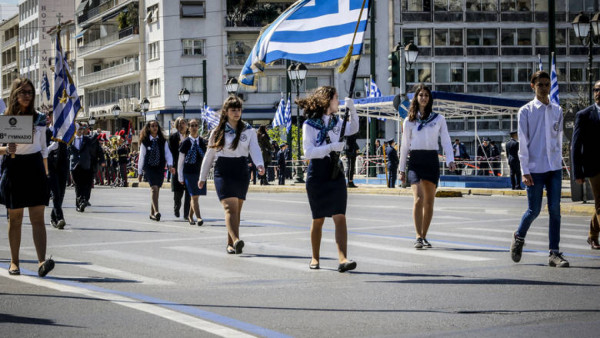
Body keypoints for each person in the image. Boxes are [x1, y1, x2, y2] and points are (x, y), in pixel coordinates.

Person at [510, 70, 568, 267]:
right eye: (540, 84)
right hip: (534, 169)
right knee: (534, 210)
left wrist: (560, 162)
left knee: (555, 210)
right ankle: (519, 236)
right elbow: (523, 142)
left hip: (554, 168)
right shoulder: (526, 111)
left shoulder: (557, 111)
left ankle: (554, 253)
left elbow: (558, 140)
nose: (544, 88)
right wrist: (524, 170)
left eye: (546, 84)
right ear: (532, 86)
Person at [299, 86, 359, 272]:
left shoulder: (337, 122)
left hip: (335, 172)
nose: (338, 102)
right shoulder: (310, 124)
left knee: (340, 215)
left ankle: (343, 259)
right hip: (317, 173)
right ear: (327, 101)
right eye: (336, 98)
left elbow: (354, 128)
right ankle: (315, 258)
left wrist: (353, 109)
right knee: (318, 218)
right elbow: (308, 152)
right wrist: (331, 147)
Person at [0, 78, 54, 277]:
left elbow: (43, 149)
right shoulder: (5, 118)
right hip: (14, 166)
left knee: (38, 218)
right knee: (15, 218)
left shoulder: (39, 118)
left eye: (30, 92)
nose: (27, 95)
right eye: (23, 92)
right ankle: (14, 262)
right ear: (15, 94)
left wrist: (46, 174)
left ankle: (42, 261)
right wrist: (5, 148)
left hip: (35, 166)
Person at [199, 95, 265, 254]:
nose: (236, 113)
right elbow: (209, 155)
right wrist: (202, 177)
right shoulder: (218, 131)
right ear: (226, 112)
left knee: (237, 211)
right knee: (229, 208)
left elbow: (254, 149)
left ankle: (231, 243)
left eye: (239, 109)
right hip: (223, 169)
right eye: (233, 110)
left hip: (241, 169)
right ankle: (236, 240)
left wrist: (259, 164)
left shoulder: (248, 130)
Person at [399, 84, 455, 249]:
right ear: (416, 98)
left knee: (429, 202)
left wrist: (450, 159)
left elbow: (446, 140)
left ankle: (424, 235)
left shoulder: (438, 119)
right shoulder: (409, 121)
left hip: (431, 159)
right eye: (420, 95)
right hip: (415, 160)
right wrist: (401, 169)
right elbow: (404, 146)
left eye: (426, 95)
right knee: (418, 200)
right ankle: (417, 236)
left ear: (429, 99)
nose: (423, 97)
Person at [571, 79, 600, 250]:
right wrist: (577, 172)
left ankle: (592, 235)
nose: (598, 93)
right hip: (594, 167)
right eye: (596, 89)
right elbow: (576, 144)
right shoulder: (584, 115)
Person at [138, 120, 175, 221]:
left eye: (156, 126)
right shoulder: (145, 141)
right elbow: (142, 157)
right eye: (152, 126)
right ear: (149, 128)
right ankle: (157, 211)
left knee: (156, 190)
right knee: (154, 188)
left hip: (159, 168)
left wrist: (170, 165)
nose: (155, 128)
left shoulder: (162, 141)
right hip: (149, 168)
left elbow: (168, 154)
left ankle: (152, 214)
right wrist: (139, 172)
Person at [69, 124, 106, 212]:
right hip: (74, 165)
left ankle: (83, 200)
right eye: (78, 129)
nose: (80, 130)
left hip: (85, 165)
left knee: (86, 184)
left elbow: (93, 140)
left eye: (81, 129)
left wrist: (97, 133)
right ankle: (79, 203)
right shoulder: (70, 140)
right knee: (78, 185)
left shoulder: (86, 139)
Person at [177, 118, 207, 226]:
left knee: (196, 196)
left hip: (199, 173)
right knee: (194, 195)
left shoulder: (202, 142)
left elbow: (206, 158)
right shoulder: (185, 142)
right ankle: (199, 217)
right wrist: (180, 176)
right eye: (192, 125)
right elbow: (180, 161)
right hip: (188, 173)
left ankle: (190, 216)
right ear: (188, 128)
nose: (194, 128)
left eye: (196, 125)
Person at [47, 114, 70, 229]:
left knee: (61, 193)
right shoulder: (46, 132)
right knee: (55, 193)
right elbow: (42, 151)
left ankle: (53, 217)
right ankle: (60, 218)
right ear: (50, 118)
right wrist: (51, 147)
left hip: (62, 165)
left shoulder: (64, 132)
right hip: (51, 166)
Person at [169, 117, 190, 219]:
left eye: (183, 123)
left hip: (189, 166)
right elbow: (170, 153)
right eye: (180, 124)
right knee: (178, 191)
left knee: (189, 191)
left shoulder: (191, 137)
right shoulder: (173, 137)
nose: (182, 126)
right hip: (177, 166)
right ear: (177, 126)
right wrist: (171, 165)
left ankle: (187, 214)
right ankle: (176, 207)